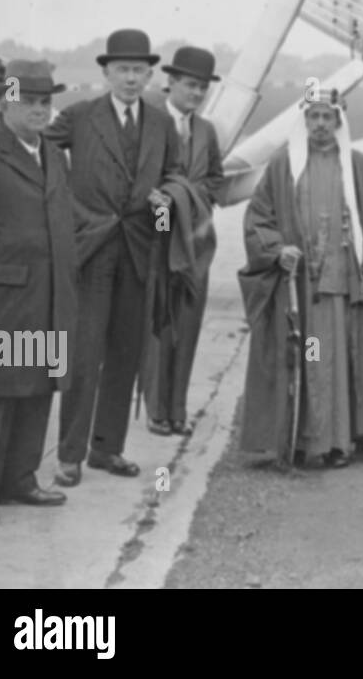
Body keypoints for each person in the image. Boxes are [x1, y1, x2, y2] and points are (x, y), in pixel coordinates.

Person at [45, 30, 181, 486]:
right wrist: (65, 209)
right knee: (83, 356)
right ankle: (69, 455)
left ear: (149, 75)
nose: (130, 78)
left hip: (140, 252)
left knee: (126, 354)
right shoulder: (80, 117)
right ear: (105, 73)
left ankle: (107, 449)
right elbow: (37, 150)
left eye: (138, 70)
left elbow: (175, 179)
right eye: (122, 69)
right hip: (91, 252)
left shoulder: (162, 125)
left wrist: (167, 207)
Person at [238, 92, 363, 467]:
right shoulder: (283, 166)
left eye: (327, 117)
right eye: (314, 116)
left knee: (336, 361)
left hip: (343, 289)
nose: (320, 124)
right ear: (304, 121)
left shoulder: (359, 166)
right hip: (301, 290)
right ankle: (306, 439)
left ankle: (338, 442)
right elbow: (258, 217)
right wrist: (276, 249)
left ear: (339, 123)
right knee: (311, 356)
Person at [0, 61, 76, 525]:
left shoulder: (54, 155)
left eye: (44, 101)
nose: (37, 109)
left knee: (38, 386)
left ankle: (21, 479)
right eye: (26, 101)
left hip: (48, 294)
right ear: (6, 103)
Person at [140, 47, 225, 438]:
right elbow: (141, 181)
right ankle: (157, 410)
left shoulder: (206, 130)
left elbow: (215, 179)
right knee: (160, 323)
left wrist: (194, 201)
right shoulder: (151, 122)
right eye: (190, 85)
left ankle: (178, 409)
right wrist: (167, 208)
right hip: (159, 237)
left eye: (202, 88)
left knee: (188, 323)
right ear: (170, 82)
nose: (196, 93)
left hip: (195, 239)